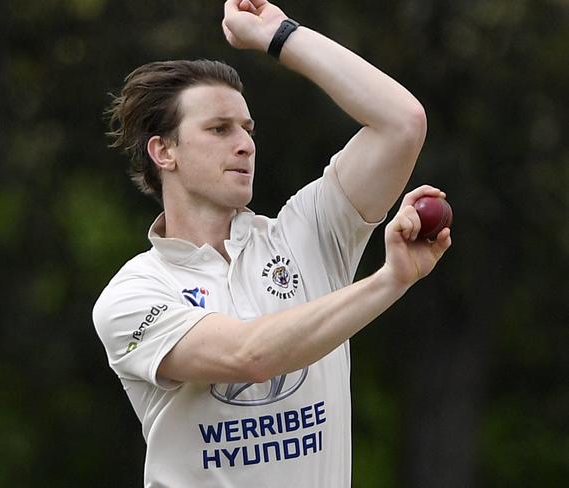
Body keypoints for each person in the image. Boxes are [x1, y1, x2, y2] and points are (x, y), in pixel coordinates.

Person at [93, 0, 452, 486]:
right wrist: (390, 280)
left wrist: (278, 34)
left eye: (247, 129)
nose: (245, 144)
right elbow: (250, 358)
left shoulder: (306, 233)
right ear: (164, 151)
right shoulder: (133, 294)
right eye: (219, 129)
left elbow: (402, 123)